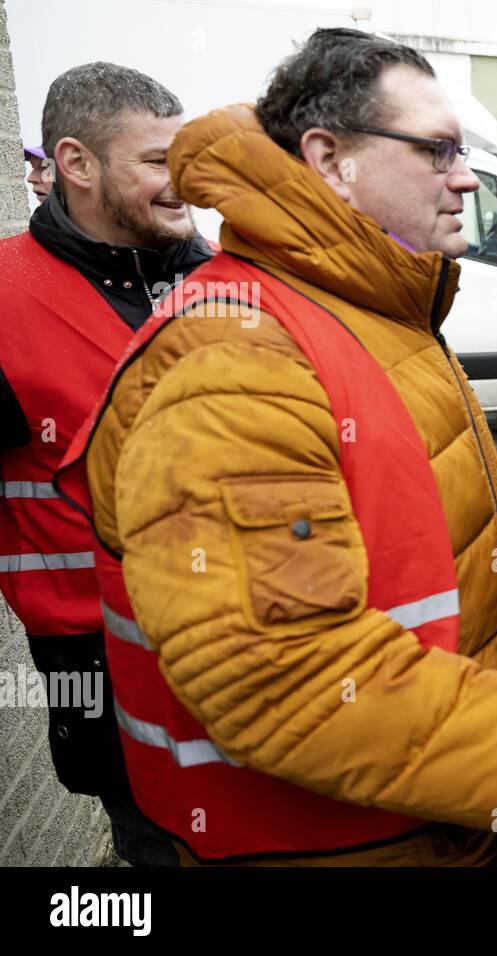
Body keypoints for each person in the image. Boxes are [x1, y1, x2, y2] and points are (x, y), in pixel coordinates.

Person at [56, 28, 497, 868]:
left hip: (422, 820)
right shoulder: (236, 357)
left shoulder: (368, 312)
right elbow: (280, 668)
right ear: (329, 158)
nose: (466, 176)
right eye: (436, 150)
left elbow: (409, 539)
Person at [0, 63, 215, 867]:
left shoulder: (218, 277)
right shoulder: (6, 297)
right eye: (159, 160)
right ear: (77, 163)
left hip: (249, 656)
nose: (184, 179)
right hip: (105, 681)